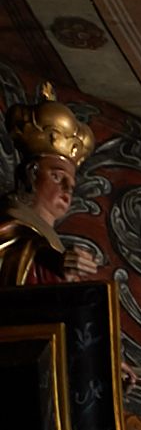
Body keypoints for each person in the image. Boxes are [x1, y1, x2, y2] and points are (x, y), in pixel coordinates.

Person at [0, 87, 103, 287]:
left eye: (71, 184)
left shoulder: (49, 242)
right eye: (57, 176)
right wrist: (52, 265)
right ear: (31, 175)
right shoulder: (9, 222)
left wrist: (67, 275)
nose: (67, 188)